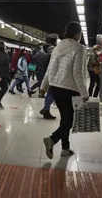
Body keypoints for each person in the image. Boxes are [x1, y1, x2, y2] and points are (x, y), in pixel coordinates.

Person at [41, 22, 88, 159]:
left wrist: (44, 87)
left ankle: (65, 148)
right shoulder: (79, 48)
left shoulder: (57, 47)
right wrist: (84, 92)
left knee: (65, 118)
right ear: (77, 34)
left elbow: (50, 69)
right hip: (70, 89)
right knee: (69, 120)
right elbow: (78, 72)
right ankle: (52, 139)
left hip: (55, 88)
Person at [37, 34, 59, 120]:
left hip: (46, 70)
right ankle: (45, 108)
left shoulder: (44, 47)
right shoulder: (51, 48)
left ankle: (46, 111)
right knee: (54, 92)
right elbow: (54, 58)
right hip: (50, 71)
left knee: (50, 91)